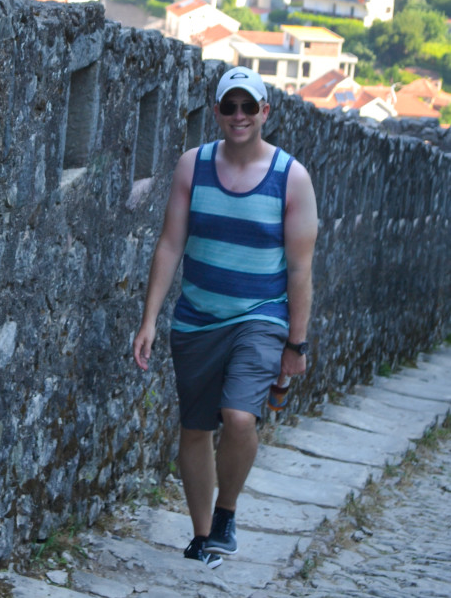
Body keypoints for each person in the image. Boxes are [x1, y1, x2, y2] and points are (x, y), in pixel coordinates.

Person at [132, 66, 318, 568]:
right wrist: (149, 320)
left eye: (249, 106)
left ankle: (227, 514)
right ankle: (202, 535)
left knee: (238, 417)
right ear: (215, 111)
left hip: (259, 317)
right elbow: (171, 243)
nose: (239, 115)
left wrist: (295, 345)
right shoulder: (194, 166)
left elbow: (300, 268)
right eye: (229, 106)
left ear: (265, 112)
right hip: (197, 318)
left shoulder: (290, 178)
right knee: (194, 428)